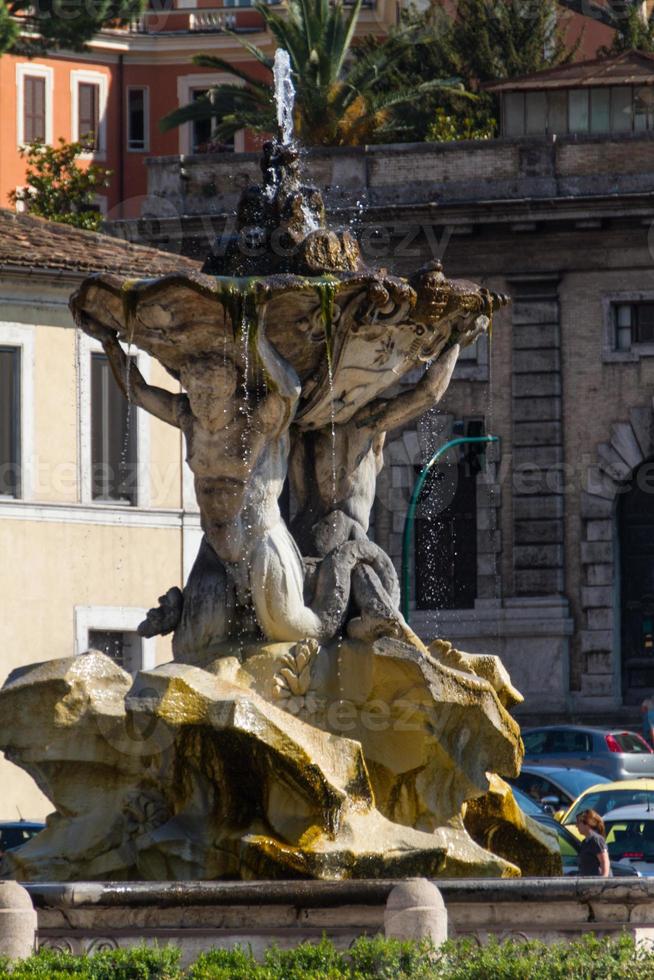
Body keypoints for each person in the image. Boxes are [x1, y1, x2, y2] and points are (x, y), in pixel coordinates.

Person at [576, 809, 611, 877]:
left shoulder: (597, 840)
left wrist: (603, 881)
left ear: (587, 823)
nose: (576, 826)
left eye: (578, 823)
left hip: (598, 884)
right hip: (588, 884)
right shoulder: (585, 842)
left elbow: (604, 862)